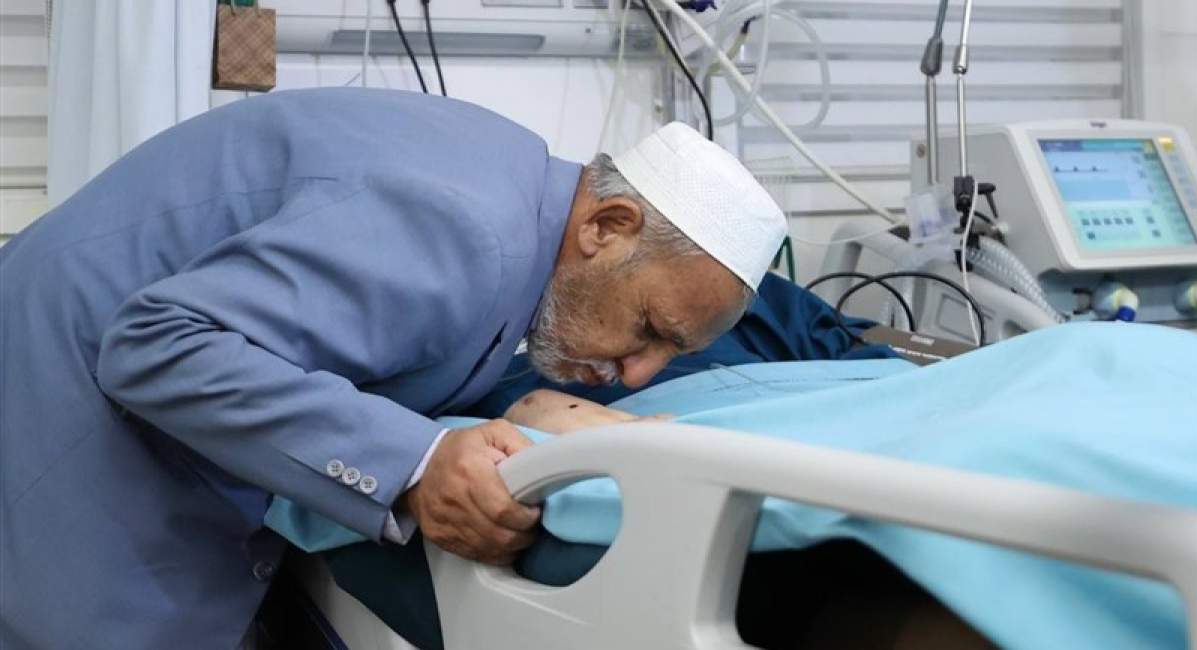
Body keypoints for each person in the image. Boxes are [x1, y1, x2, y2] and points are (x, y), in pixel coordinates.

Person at [0, 87, 786, 648]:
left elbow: (368, 333)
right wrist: (417, 463)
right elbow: (157, 345)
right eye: (649, 329)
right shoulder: (467, 232)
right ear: (608, 226)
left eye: (672, 354)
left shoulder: (513, 181)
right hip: (64, 427)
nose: (640, 374)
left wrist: (525, 404)